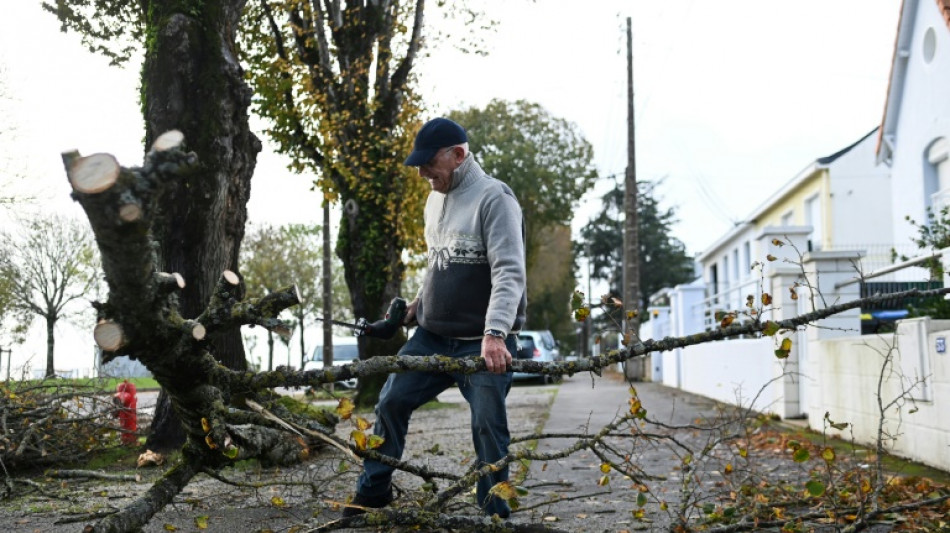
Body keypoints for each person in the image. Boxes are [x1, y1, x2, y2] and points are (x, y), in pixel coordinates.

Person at [343, 117, 527, 519]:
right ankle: (373, 494)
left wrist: (495, 333)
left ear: (458, 155)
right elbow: (439, 269)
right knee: (390, 400)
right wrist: (407, 313)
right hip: (431, 336)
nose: (423, 172)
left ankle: (493, 515)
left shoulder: (494, 198)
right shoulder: (434, 200)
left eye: (429, 163)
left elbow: (509, 273)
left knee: (487, 424)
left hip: (481, 342)